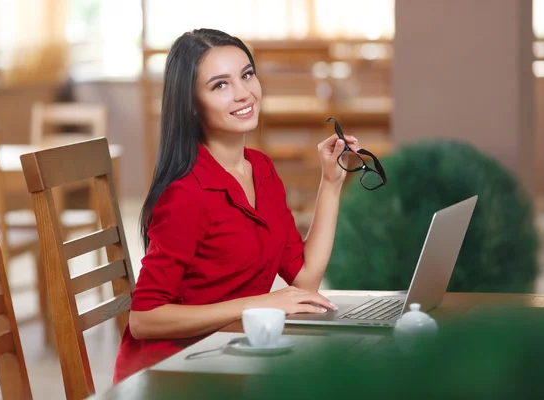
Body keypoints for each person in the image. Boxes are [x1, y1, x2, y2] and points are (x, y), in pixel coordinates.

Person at [113, 28, 360, 383]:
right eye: (220, 85)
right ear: (192, 106)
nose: (244, 93)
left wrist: (331, 183)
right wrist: (259, 303)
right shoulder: (185, 193)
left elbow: (305, 280)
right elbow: (143, 319)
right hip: (171, 372)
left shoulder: (261, 169)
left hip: (229, 354)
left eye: (246, 75)